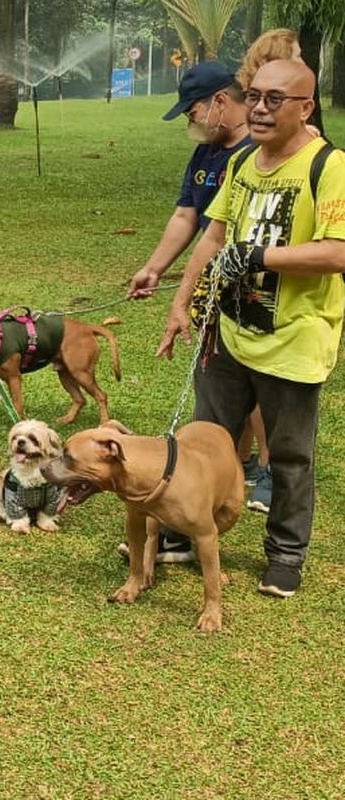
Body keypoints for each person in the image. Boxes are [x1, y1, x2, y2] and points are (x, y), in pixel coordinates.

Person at [157, 59, 345, 598]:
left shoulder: (327, 167)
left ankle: (286, 553)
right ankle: (185, 529)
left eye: (275, 99)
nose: (260, 108)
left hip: (295, 337)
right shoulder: (241, 163)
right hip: (230, 332)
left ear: (306, 106)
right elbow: (213, 236)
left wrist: (262, 255)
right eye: (255, 96)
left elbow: (336, 251)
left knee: (288, 455)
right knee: (200, 439)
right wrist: (183, 302)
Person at [123, 62, 265, 563]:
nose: (192, 119)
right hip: (208, 297)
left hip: (251, 298)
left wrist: (183, 301)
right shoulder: (207, 152)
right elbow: (189, 215)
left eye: (195, 109)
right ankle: (187, 517)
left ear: (222, 102)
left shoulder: (259, 155)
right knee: (214, 405)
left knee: (251, 401)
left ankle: (241, 494)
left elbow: (220, 235)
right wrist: (155, 268)